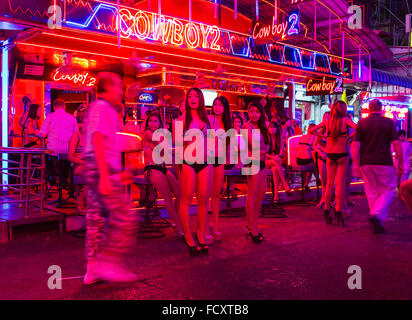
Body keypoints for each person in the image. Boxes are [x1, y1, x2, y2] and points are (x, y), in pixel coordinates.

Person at [82, 72, 138, 284]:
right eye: (118, 87)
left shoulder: (104, 110)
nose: (121, 91)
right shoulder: (101, 107)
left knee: (96, 219)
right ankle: (110, 262)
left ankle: (93, 268)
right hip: (100, 168)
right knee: (126, 215)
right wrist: (106, 175)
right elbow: (97, 138)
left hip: (98, 167)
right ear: (107, 88)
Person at [352, 99, 403, 234]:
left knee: (372, 191)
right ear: (381, 109)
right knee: (390, 188)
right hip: (384, 161)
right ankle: (376, 214)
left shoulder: (361, 123)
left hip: (366, 162)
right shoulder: (388, 123)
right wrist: (401, 162)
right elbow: (396, 144)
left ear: (369, 108)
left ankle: (377, 221)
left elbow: (355, 145)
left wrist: (356, 164)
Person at [176, 87, 213, 256]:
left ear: (201, 100)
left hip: (205, 162)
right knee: (187, 199)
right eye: (189, 96)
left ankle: (201, 234)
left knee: (204, 199)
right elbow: (176, 142)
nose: (192, 99)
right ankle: (188, 237)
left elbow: (211, 143)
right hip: (188, 162)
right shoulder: (182, 119)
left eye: (195, 96)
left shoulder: (207, 120)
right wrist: (192, 137)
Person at [310, 101, 356, 226]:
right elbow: (358, 128)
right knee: (340, 184)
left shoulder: (327, 121)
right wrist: (349, 137)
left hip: (330, 155)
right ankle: (339, 210)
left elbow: (312, 130)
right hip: (342, 154)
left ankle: (326, 209)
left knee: (329, 183)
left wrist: (323, 136)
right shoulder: (345, 120)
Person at [143, 111, 184, 238]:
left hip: (162, 167)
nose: (153, 123)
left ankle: (177, 221)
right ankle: (179, 226)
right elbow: (161, 143)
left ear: (159, 122)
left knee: (180, 194)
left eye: (155, 121)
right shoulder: (147, 133)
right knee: (168, 197)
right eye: (151, 121)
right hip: (151, 168)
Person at [243, 101, 270, 243]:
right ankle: (252, 229)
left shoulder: (262, 128)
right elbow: (254, 147)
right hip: (251, 162)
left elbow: (268, 147)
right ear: (248, 112)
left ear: (261, 113)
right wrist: (262, 150)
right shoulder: (246, 126)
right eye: (251, 111)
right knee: (252, 195)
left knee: (260, 195)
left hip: (262, 162)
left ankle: (253, 224)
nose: (254, 114)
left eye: (257, 111)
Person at [206, 96, 232, 242]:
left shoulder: (227, 124)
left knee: (216, 194)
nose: (217, 107)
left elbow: (228, 146)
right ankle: (203, 227)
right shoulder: (208, 119)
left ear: (225, 108)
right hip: (208, 159)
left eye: (220, 105)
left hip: (220, 160)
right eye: (215, 104)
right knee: (205, 194)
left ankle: (215, 226)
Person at [265, 119, 292, 202]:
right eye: (270, 127)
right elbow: (264, 153)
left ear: (277, 129)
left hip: (275, 162)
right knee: (276, 161)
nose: (272, 129)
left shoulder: (279, 139)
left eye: (274, 127)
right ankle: (284, 183)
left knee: (275, 169)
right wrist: (274, 157)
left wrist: (278, 156)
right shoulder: (266, 139)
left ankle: (276, 195)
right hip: (266, 161)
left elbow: (281, 153)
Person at [313, 112, 329, 208]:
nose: (326, 120)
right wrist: (320, 152)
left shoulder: (334, 131)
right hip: (322, 157)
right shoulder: (319, 132)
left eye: (328, 118)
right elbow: (314, 146)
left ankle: (330, 199)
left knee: (331, 181)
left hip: (331, 157)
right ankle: (323, 198)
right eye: (324, 118)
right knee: (323, 181)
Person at [296, 123, 317, 192]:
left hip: (298, 160)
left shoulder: (302, 136)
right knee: (313, 167)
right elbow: (315, 148)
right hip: (306, 160)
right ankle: (313, 181)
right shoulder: (314, 137)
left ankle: (305, 184)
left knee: (311, 165)